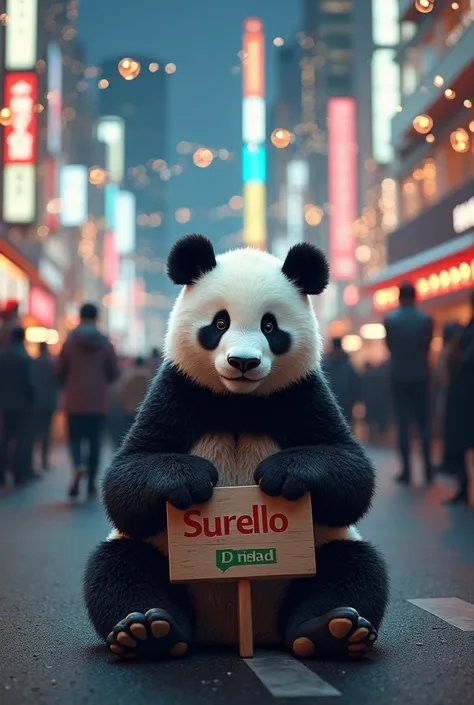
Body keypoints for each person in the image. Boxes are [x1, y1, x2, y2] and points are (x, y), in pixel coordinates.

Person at [56, 303, 119, 499]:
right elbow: (114, 372)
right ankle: (91, 484)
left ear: (79, 317)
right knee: (95, 443)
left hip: (74, 401)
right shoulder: (105, 343)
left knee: (74, 439)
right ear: (97, 317)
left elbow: (59, 371)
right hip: (98, 403)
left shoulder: (70, 342)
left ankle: (78, 465)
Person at [383, 281, 434, 485]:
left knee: (403, 425)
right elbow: (428, 345)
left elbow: (390, 347)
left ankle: (407, 471)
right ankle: (428, 469)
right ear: (416, 296)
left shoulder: (390, 320)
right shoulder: (426, 320)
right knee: (424, 424)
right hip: (421, 376)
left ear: (399, 297)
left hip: (399, 377)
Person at [0, 326, 36, 488]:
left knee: (5, 439)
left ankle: (1, 474)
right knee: (21, 439)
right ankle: (18, 474)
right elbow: (29, 383)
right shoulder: (25, 357)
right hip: (22, 405)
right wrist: (32, 401)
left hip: (4, 404)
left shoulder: (2, 355)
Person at [32, 341, 59, 470]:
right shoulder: (51, 364)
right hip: (49, 403)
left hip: (35, 403)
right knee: (47, 432)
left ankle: (33, 461)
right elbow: (58, 383)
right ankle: (44, 460)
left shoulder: (33, 363)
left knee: (34, 432)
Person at [322, 337, 360, 428]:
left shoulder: (326, 365)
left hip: (341, 403)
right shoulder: (348, 366)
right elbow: (355, 384)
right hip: (337, 402)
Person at [115, 356, 152, 443]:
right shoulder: (149, 378)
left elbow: (121, 394)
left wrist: (123, 405)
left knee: (128, 436)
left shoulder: (128, 377)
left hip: (129, 410)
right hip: (144, 412)